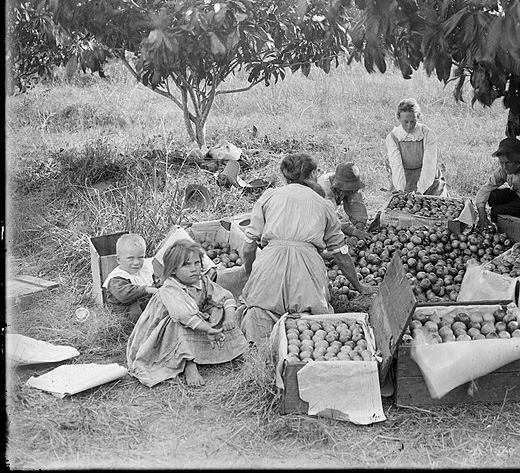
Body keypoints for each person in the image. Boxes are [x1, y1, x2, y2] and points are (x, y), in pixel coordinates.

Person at [238, 153, 375, 345]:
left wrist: (252, 274)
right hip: (306, 266)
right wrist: (359, 286)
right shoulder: (323, 204)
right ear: (313, 174)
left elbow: (249, 245)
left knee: (260, 309)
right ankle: (299, 347)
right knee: (310, 320)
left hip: (269, 261)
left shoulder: (269, 196)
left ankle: (259, 344)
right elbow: (340, 254)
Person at [127, 240, 247, 387]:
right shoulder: (170, 288)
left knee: (218, 309)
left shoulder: (202, 281)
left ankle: (234, 349)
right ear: (172, 270)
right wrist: (208, 329)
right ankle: (188, 363)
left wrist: (229, 318)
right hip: (168, 325)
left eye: (197, 263)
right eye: (186, 265)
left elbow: (225, 296)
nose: (194, 269)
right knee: (176, 325)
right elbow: (182, 315)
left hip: (193, 317)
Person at [386, 98, 446, 195]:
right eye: (405, 122)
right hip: (404, 178)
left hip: (428, 179)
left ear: (418, 117)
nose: (409, 126)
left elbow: (429, 165)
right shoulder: (393, 137)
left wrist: (420, 190)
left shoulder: (427, 134)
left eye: (412, 121)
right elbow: (396, 166)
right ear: (398, 118)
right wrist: (401, 189)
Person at [103, 233, 158, 324]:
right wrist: (147, 289)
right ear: (119, 260)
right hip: (127, 312)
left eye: (140, 257)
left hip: (140, 304)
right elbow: (125, 295)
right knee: (153, 305)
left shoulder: (143, 267)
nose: (136, 262)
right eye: (130, 258)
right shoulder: (116, 278)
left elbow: (156, 262)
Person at [317, 162, 371, 240]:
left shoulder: (346, 180)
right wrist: (354, 232)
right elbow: (332, 217)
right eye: (349, 189)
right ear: (339, 186)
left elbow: (355, 203)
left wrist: (360, 226)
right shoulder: (324, 188)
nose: (351, 192)